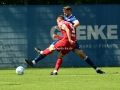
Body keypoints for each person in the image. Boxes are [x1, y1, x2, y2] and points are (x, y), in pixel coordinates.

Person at [25, 6, 105, 75]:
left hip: (68, 40)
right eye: (63, 12)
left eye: (65, 12)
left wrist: (70, 27)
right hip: (68, 40)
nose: (64, 13)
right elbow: (65, 27)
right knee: (58, 53)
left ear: (69, 11)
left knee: (52, 49)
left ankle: (37, 58)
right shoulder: (65, 18)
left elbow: (77, 23)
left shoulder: (72, 17)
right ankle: (41, 65)